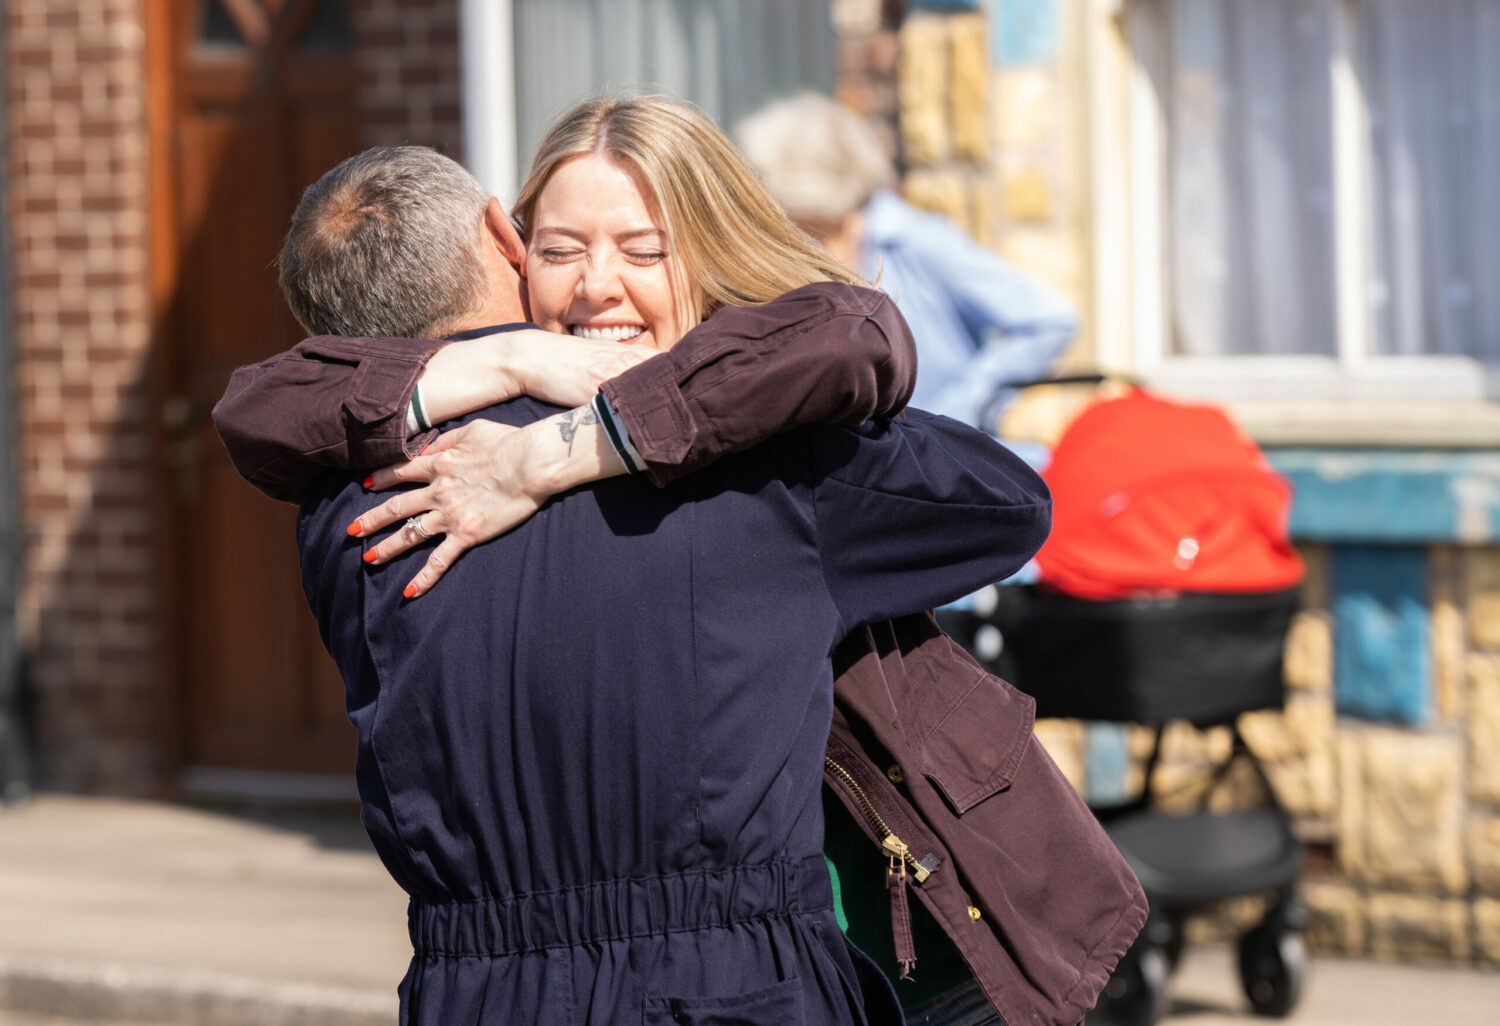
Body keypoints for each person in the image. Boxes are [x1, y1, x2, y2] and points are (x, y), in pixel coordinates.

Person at [216, 100, 1145, 1026]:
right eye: (562, 249)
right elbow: (992, 484)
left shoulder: (348, 495)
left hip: (490, 989)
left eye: (643, 250)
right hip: (740, 981)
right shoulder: (777, 472)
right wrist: (575, 389)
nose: (597, 288)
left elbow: (261, 407)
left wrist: (577, 438)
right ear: (511, 239)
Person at [734, 93, 1078, 434]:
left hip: (935, 468)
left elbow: (1047, 321)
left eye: (766, 180)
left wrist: (957, 413)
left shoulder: (917, 240)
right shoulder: (789, 250)